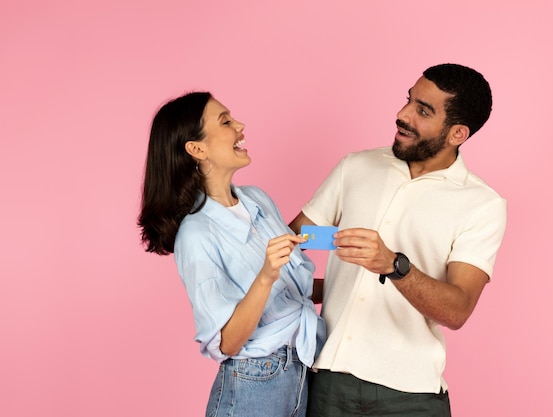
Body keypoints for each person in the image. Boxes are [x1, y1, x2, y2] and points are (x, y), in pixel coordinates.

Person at [289, 63, 507, 416]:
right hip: (327, 382)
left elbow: (457, 309)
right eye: (409, 101)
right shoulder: (355, 167)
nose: (402, 115)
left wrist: (394, 265)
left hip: (411, 397)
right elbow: (290, 244)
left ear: (457, 134)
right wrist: (326, 287)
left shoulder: (482, 204)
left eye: (423, 111)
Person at [138, 91, 325, 417]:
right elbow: (227, 343)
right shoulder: (196, 234)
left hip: (301, 371)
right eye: (225, 121)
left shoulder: (258, 199)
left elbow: (296, 290)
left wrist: (356, 270)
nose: (240, 126)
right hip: (254, 382)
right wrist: (266, 275)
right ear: (197, 149)